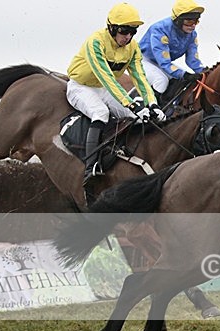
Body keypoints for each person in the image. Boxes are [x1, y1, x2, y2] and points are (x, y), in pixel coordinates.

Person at [66, 2, 165, 205]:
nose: (128, 36)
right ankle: (90, 167)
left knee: (136, 117)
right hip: (81, 86)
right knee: (100, 112)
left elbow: (140, 78)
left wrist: (151, 104)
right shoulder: (96, 42)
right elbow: (107, 79)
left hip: (103, 89)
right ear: (111, 28)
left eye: (132, 31)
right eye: (124, 31)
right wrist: (131, 103)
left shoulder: (133, 48)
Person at [139, 0, 205, 103]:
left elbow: (192, 60)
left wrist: (204, 71)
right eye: (189, 21)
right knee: (161, 81)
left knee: (180, 81)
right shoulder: (160, 30)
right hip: (142, 60)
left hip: (159, 62)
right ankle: (149, 110)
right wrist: (184, 75)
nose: (193, 25)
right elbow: (164, 63)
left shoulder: (192, 35)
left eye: (195, 21)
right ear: (178, 20)